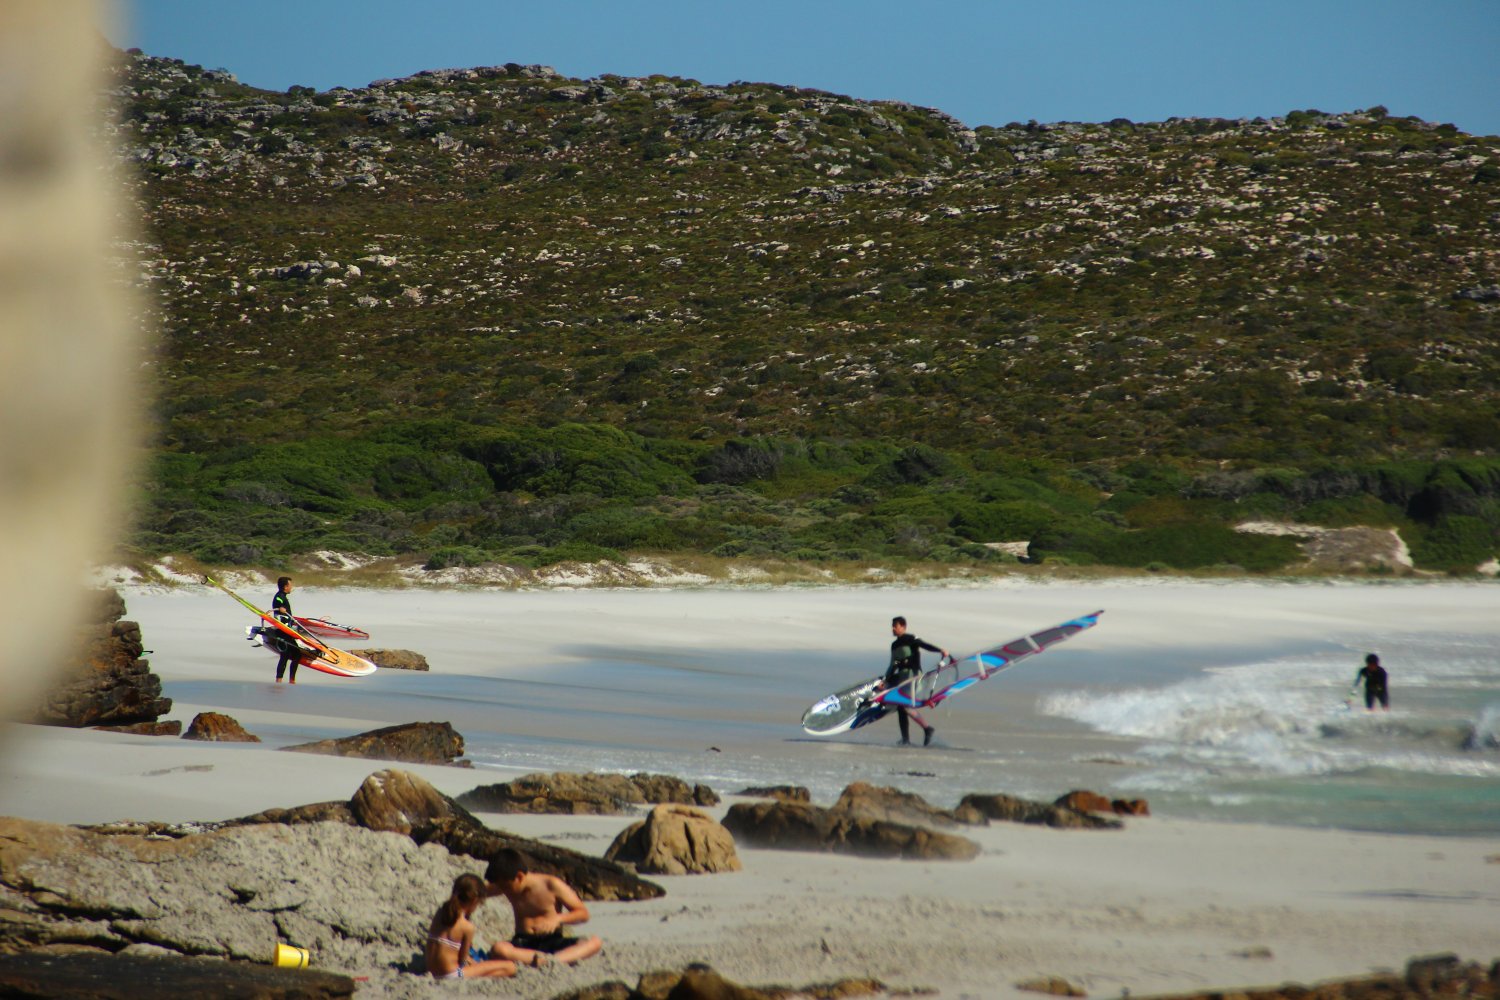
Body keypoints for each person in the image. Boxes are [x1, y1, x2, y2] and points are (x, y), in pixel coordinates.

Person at [482, 848, 603, 965]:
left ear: (519, 877)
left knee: (594, 942)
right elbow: (476, 891)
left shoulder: (551, 885)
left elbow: (583, 914)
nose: (504, 891)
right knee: (499, 949)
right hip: (523, 942)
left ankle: (554, 961)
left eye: (506, 887)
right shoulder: (506, 884)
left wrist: (557, 919)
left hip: (552, 940)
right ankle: (543, 960)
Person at [425, 873, 521, 980]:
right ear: (474, 900)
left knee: (486, 966)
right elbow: (463, 961)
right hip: (453, 974)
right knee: (510, 967)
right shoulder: (467, 927)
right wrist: (477, 964)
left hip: (431, 971)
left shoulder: (440, 912)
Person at [877, 616, 949, 747]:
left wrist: (940, 650)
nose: (893, 628)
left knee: (905, 705)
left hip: (913, 676)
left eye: (896, 626)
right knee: (900, 707)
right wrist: (885, 680)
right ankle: (905, 739)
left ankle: (927, 729)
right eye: (892, 626)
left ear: (903, 627)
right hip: (902, 678)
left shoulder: (911, 639)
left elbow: (925, 645)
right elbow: (892, 665)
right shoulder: (894, 645)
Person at [269, 576, 304, 684]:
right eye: (290, 585)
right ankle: (284, 680)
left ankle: (288, 680)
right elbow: (277, 602)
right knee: (287, 655)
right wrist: (279, 608)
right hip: (282, 631)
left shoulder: (283, 596)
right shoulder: (279, 597)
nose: (291, 588)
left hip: (287, 630)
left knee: (294, 654)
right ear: (285, 587)